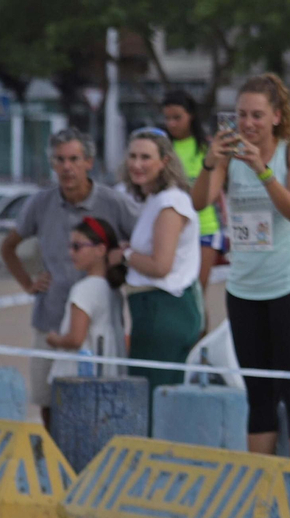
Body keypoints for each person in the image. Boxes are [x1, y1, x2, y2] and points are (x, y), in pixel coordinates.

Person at [191, 73, 290, 458]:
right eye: (241, 115)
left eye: (257, 115)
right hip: (243, 290)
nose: (248, 123)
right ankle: (262, 484)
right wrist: (210, 162)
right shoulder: (229, 155)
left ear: (276, 116)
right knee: (258, 394)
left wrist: (262, 170)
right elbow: (199, 202)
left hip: (288, 286)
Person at [0, 129, 139, 424]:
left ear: (89, 162)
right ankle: (54, 450)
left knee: (99, 402)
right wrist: (28, 283)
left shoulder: (114, 203)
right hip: (51, 319)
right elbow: (8, 246)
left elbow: (145, 241)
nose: (67, 167)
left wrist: (122, 264)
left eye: (74, 159)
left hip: (98, 325)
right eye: (60, 160)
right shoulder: (41, 203)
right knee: (48, 398)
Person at [118, 128, 203, 409]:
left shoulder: (170, 202)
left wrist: (124, 255)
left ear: (165, 161)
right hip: (151, 309)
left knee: (154, 400)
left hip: (164, 309)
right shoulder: (154, 200)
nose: (137, 164)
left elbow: (160, 265)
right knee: (149, 396)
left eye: (146, 157)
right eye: (132, 156)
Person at [46, 216, 126, 379]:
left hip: (78, 377)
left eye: (77, 247)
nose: (71, 252)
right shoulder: (114, 290)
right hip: (106, 374)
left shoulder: (84, 289)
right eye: (70, 246)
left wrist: (54, 340)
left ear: (100, 250)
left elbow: (76, 339)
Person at [162, 89, 226, 292]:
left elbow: (215, 191)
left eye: (177, 117)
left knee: (197, 293)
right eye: (167, 118)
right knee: (175, 292)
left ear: (191, 115)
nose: (172, 123)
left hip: (205, 227)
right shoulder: (162, 149)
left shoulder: (208, 148)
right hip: (172, 229)